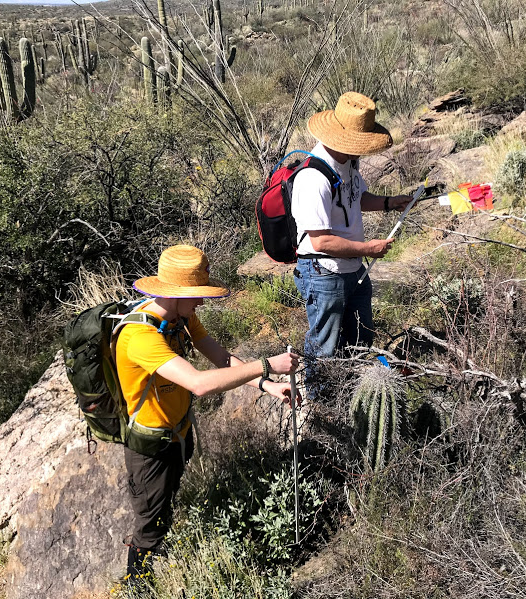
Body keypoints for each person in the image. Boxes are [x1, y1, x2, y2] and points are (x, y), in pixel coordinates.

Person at [115, 244, 300, 584]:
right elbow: (199, 384)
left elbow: (222, 358)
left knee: (165, 504)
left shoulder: (181, 317)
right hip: (151, 447)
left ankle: (161, 547)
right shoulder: (138, 336)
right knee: (149, 526)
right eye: (197, 295)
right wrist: (268, 363)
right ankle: (138, 586)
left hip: (179, 432)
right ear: (174, 294)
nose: (202, 302)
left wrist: (267, 384)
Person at [291, 91, 411, 397]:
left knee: (361, 334)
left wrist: (388, 203)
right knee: (325, 343)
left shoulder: (347, 164)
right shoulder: (312, 178)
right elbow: (320, 241)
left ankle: (352, 391)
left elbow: (356, 198)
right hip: (324, 272)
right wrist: (369, 249)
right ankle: (319, 401)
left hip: (353, 267)